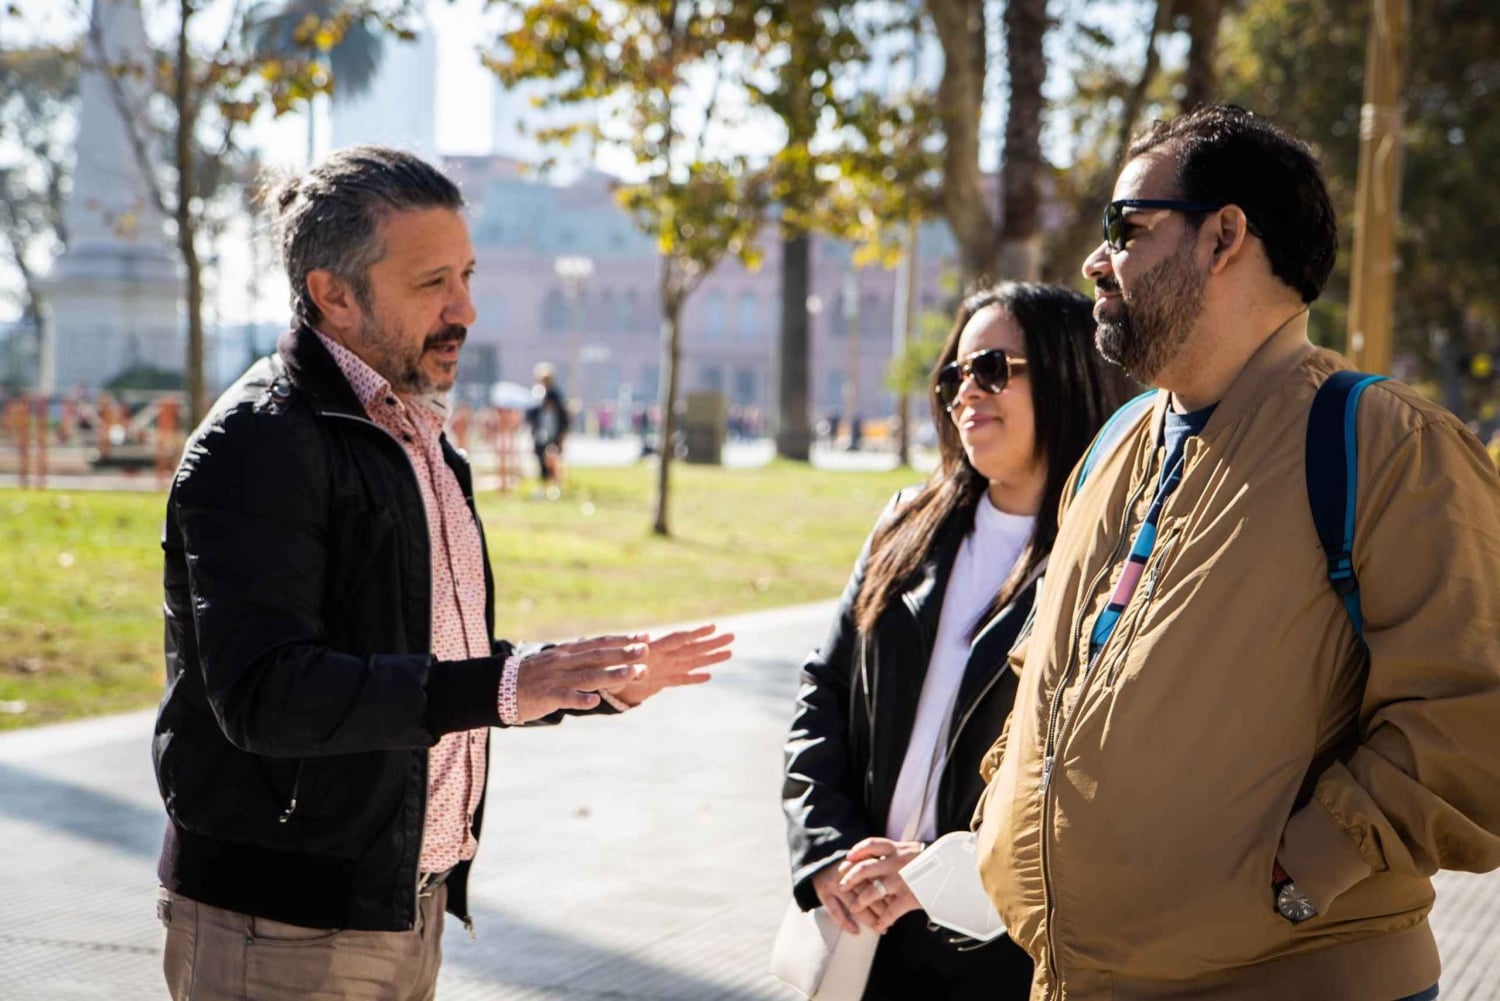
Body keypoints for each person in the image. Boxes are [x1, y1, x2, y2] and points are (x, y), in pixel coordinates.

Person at [152, 146, 733, 1001]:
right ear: (334, 293)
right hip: (280, 930)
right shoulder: (262, 442)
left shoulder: (418, 438)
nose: (465, 308)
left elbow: (420, 655)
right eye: (432, 284)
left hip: (401, 909)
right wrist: (504, 683)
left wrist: (570, 683)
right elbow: (267, 693)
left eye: (466, 274)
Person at [974, 105, 1500, 1001]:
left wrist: (1305, 872)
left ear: (1224, 237)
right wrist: (1000, 816)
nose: (1098, 261)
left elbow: (1475, 709)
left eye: (1126, 227)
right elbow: (1047, 669)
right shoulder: (1114, 444)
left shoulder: (1384, 440)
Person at [782, 282, 1134, 999]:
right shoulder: (904, 523)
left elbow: (1103, 780)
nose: (966, 391)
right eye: (953, 376)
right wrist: (825, 850)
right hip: (867, 936)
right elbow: (822, 689)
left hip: (1000, 952)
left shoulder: (1109, 561)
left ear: (1067, 377)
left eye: (993, 369)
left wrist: (942, 874)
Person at [527, 362, 569, 497]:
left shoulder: (555, 395)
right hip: (540, 433)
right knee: (541, 459)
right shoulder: (537, 394)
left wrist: (562, 435)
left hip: (553, 432)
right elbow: (531, 414)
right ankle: (543, 486)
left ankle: (555, 485)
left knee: (554, 459)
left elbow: (563, 416)